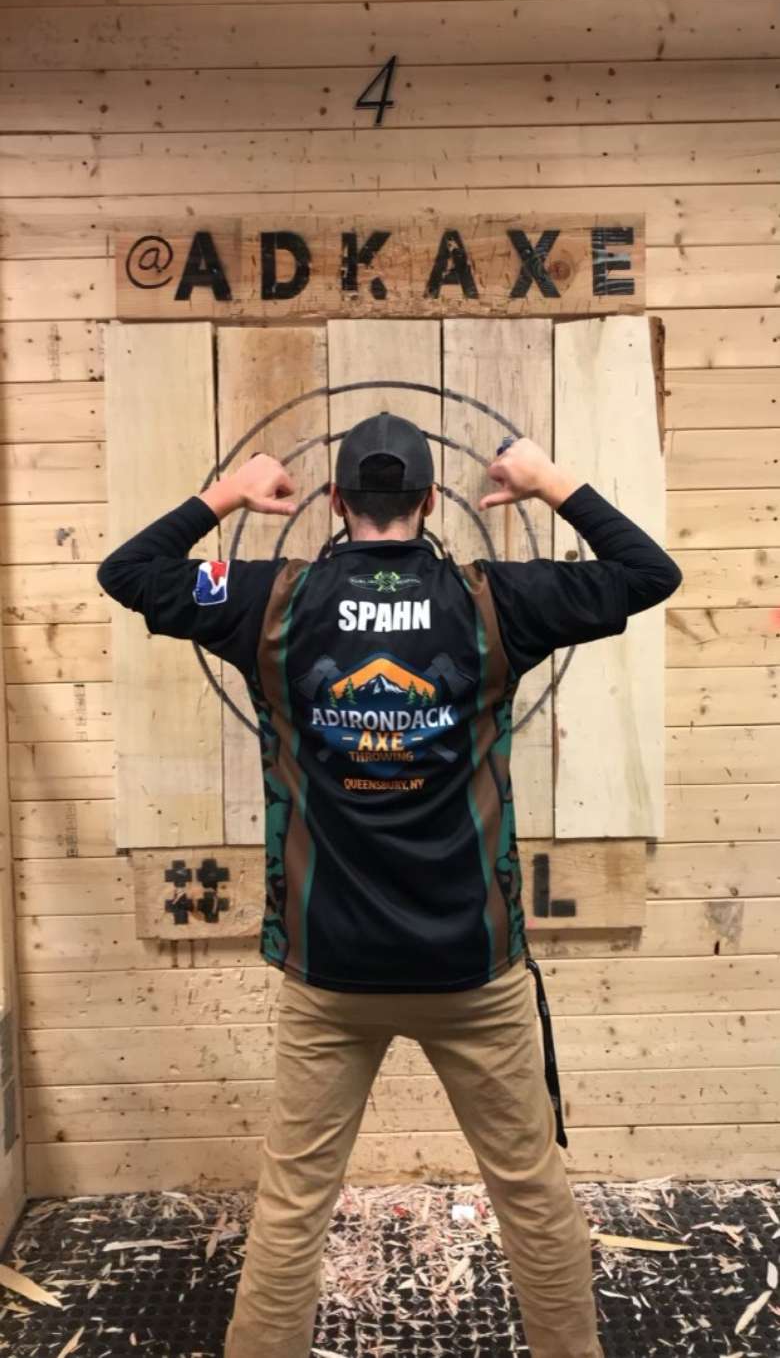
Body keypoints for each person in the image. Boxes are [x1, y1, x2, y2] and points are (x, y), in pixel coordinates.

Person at [96, 411, 683, 1358]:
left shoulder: (269, 597)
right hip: (473, 971)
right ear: (426, 501)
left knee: (291, 1207)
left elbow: (128, 572)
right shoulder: (498, 599)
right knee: (531, 1192)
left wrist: (229, 494)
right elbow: (649, 572)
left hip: (329, 974)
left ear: (336, 501)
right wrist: (546, 479)